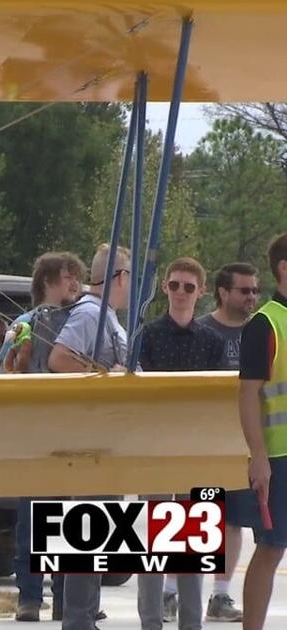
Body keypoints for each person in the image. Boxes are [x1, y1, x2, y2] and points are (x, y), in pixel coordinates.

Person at [135, 257, 226, 630]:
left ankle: (192, 622)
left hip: (196, 447)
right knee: (156, 542)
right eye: (174, 285)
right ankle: (151, 621)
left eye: (189, 286)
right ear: (165, 289)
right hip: (154, 445)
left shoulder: (213, 341)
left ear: (201, 292)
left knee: (195, 541)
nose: (181, 293)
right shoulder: (148, 336)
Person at [49, 244, 132, 630]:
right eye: (129, 276)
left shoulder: (107, 316)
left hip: (106, 436)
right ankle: (78, 619)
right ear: (120, 278)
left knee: (98, 528)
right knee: (90, 527)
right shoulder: (89, 314)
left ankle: (83, 615)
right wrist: (105, 376)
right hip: (89, 437)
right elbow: (60, 358)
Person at [174, 262, 261, 623]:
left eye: (255, 291)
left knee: (235, 520)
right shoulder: (203, 331)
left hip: (242, 441)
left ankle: (220, 597)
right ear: (223, 293)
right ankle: (171, 592)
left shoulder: (260, 332)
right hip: (201, 441)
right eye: (244, 291)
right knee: (195, 517)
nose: (251, 297)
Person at [8, 252, 86, 622]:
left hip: (73, 426)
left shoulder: (81, 321)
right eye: (69, 277)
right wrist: (18, 351)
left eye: (78, 278)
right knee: (33, 515)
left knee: (69, 517)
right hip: (35, 429)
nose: (75, 284)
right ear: (48, 279)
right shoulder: (25, 321)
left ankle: (65, 597)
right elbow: (7, 368)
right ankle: (29, 596)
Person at [236, 234, 287, 630]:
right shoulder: (265, 324)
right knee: (271, 549)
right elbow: (248, 395)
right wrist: (259, 458)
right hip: (280, 458)